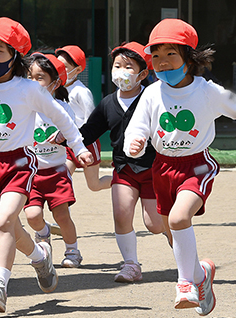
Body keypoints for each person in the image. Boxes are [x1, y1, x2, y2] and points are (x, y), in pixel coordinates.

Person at [123, 19, 236, 316]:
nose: (163, 63)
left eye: (170, 55)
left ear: (189, 58)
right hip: (162, 166)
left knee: (180, 219)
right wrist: (136, 141)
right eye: (156, 56)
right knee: (168, 228)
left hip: (197, 166)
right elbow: (138, 126)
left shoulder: (208, 91)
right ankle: (200, 275)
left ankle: (185, 283)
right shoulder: (152, 93)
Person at [0, 17, 93, 313]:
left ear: (14, 57)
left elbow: (62, 118)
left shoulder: (28, 89)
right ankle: (39, 257)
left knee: (3, 221)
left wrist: (79, 147)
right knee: (11, 227)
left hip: (19, 161)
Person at [75, 42, 165, 281]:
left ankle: (180, 242)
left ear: (143, 74)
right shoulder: (107, 103)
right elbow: (89, 131)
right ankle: (131, 265)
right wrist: (68, 137)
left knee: (155, 224)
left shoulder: (154, 98)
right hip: (123, 169)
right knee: (121, 215)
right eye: (117, 66)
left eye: (128, 66)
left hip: (153, 168)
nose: (121, 71)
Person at [23, 52, 83, 268]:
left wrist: (61, 136)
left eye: (39, 78)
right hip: (30, 174)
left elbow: (71, 129)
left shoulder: (62, 108)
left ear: (55, 83)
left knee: (62, 216)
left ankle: (73, 251)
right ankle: (43, 234)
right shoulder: (23, 108)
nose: (32, 82)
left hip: (57, 172)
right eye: (29, 77)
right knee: (32, 215)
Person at [55, 45, 112, 191]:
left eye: (65, 67)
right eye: (58, 65)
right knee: (61, 178)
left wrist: (82, 139)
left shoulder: (81, 91)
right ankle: (62, 208)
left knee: (94, 185)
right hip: (68, 142)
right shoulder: (56, 89)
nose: (61, 69)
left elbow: (92, 119)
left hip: (86, 142)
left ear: (78, 70)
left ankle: (124, 181)